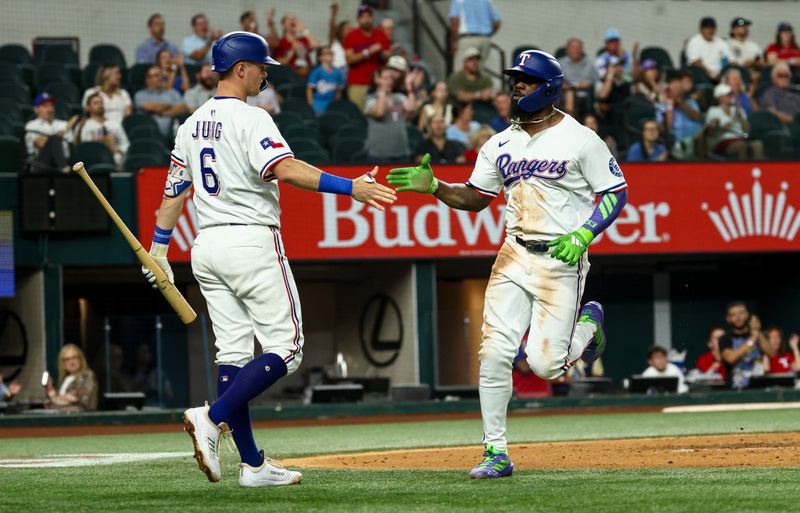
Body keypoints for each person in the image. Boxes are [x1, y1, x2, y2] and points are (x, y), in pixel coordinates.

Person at [144, 32, 395, 487]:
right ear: (241, 69)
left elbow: (171, 199)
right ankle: (211, 417)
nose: (265, 73)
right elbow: (285, 169)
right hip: (250, 240)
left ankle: (254, 465)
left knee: (235, 355)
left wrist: (159, 251)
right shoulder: (252, 117)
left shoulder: (189, 124)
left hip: (207, 246)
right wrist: (350, 187)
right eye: (261, 66)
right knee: (290, 348)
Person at [387, 50, 628, 479]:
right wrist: (437, 187)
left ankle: (589, 327)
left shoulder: (581, 138)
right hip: (514, 253)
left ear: (550, 88)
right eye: (515, 79)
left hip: (561, 256)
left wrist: (585, 233)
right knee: (494, 352)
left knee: (545, 365)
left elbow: (615, 192)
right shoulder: (499, 143)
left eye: (527, 80)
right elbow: (477, 198)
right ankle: (495, 452)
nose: (517, 85)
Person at [364, 66, 419, 164]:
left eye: (391, 78)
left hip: (401, 154)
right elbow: (379, 113)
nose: (389, 81)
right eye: (385, 78)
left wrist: (409, 85)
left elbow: (411, 108)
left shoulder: (398, 97)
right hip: (378, 155)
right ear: (377, 80)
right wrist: (382, 92)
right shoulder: (370, 99)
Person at [343, 4, 391, 110]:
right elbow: (349, 59)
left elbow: (387, 58)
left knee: (378, 112)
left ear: (372, 18)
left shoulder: (381, 35)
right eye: (363, 17)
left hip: (378, 83)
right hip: (357, 82)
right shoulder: (351, 36)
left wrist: (381, 52)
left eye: (368, 16)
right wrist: (368, 52)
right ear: (358, 19)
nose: (366, 20)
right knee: (357, 113)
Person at [719, 301, 773, 388]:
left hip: (759, 387)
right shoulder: (725, 338)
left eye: (741, 313)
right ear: (728, 318)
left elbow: (772, 354)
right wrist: (752, 339)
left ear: (747, 314)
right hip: (736, 388)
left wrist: (757, 332)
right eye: (733, 314)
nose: (738, 317)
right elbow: (730, 358)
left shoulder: (758, 334)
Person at [703, 83, 763, 160]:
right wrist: (732, 120)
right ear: (719, 97)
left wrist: (741, 119)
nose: (731, 97)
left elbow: (747, 131)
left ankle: (760, 169)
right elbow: (713, 132)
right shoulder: (713, 111)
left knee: (758, 144)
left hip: (740, 138)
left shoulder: (739, 110)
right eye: (727, 95)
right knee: (741, 146)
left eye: (731, 95)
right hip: (723, 141)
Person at [24, 93, 79, 173]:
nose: (50, 109)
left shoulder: (63, 124)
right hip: (42, 164)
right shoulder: (31, 125)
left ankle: (64, 168)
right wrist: (65, 130)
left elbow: (72, 145)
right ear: (36, 109)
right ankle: (64, 169)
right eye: (45, 106)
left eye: (51, 106)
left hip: (66, 160)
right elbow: (40, 144)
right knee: (54, 139)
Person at [75, 92, 130, 167]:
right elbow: (81, 148)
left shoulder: (115, 124)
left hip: (116, 160)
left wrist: (115, 149)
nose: (100, 105)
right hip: (92, 161)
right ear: (88, 107)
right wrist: (101, 144)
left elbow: (126, 145)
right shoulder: (83, 125)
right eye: (96, 103)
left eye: (101, 103)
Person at [657, 72, 703, 159]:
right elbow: (666, 130)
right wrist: (670, 107)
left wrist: (681, 103)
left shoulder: (690, 102)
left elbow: (697, 117)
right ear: (669, 91)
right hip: (679, 144)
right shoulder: (663, 106)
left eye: (679, 88)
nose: (677, 91)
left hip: (698, 141)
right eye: (674, 88)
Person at [133, 65, 187, 137]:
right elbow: (151, 107)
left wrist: (162, 113)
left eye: (160, 75)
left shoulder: (172, 93)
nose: (160, 78)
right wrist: (171, 107)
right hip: (150, 133)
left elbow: (183, 108)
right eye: (156, 75)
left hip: (173, 133)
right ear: (148, 80)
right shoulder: (140, 95)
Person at [44, 344, 98, 412]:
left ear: (80, 359)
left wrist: (56, 399)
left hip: (81, 419)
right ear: (62, 363)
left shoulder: (87, 375)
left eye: (74, 357)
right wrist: (52, 392)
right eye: (67, 359)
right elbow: (52, 401)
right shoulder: (64, 380)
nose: (71, 362)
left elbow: (77, 399)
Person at [448, 0, 501, 66]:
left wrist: (454, 42)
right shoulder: (487, 1)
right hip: (485, 39)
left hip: (467, 39)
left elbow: (454, 20)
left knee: (461, 70)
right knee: (478, 71)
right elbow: (497, 23)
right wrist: (488, 34)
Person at [558, 37, 597, 117]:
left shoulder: (589, 64)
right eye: (574, 48)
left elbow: (596, 80)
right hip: (566, 94)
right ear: (567, 50)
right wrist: (568, 86)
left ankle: (589, 120)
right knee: (569, 94)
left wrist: (590, 83)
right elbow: (555, 80)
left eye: (579, 48)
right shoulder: (560, 64)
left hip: (587, 94)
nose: (577, 50)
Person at [685, 16, 731, 82]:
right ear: (700, 29)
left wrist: (722, 75)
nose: (710, 30)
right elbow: (696, 62)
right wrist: (711, 74)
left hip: (720, 76)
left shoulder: (721, 42)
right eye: (707, 28)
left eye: (712, 28)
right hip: (701, 75)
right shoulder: (694, 41)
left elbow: (729, 60)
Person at [274, 13, 320, 79]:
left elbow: (316, 45)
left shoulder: (303, 39)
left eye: (294, 19)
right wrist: (292, 51)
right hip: (289, 76)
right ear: (283, 25)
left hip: (307, 74)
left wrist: (303, 31)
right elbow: (279, 62)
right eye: (289, 19)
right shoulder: (280, 41)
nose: (292, 20)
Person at [307, 46, 346, 115]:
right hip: (318, 106)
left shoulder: (337, 72)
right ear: (319, 57)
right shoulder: (316, 72)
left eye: (330, 53)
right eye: (325, 53)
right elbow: (309, 90)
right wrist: (311, 105)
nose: (328, 56)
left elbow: (338, 91)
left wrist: (337, 104)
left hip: (332, 106)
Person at [328, 2, 351, 71]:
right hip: (334, 71)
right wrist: (333, 14)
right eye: (347, 29)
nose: (350, 31)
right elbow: (332, 28)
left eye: (351, 29)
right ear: (340, 31)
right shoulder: (334, 42)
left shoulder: (354, 45)